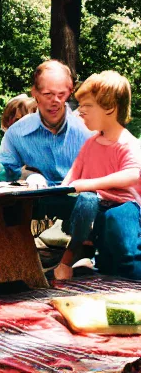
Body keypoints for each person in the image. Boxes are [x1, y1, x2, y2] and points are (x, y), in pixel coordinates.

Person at [0, 60, 93, 228]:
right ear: (35, 93)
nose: (56, 101)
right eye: (48, 94)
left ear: (70, 92)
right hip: (32, 206)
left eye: (61, 94)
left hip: (78, 210)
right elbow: (6, 170)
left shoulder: (87, 131)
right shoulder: (16, 133)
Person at [54, 71, 141, 280]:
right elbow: (76, 169)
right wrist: (61, 189)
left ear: (110, 108)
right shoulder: (91, 143)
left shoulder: (126, 143)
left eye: (87, 106)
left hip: (125, 206)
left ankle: (135, 283)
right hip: (98, 206)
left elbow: (132, 175)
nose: (80, 111)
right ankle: (85, 262)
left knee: (125, 248)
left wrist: (89, 183)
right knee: (88, 208)